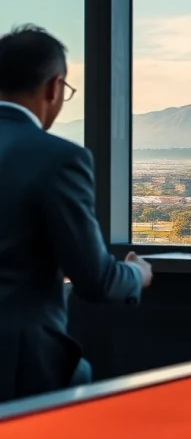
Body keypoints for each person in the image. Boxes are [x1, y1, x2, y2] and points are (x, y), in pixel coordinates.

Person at [0, 25, 153, 402]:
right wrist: (137, 273)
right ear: (54, 88)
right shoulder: (58, 158)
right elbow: (95, 279)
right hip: (21, 366)